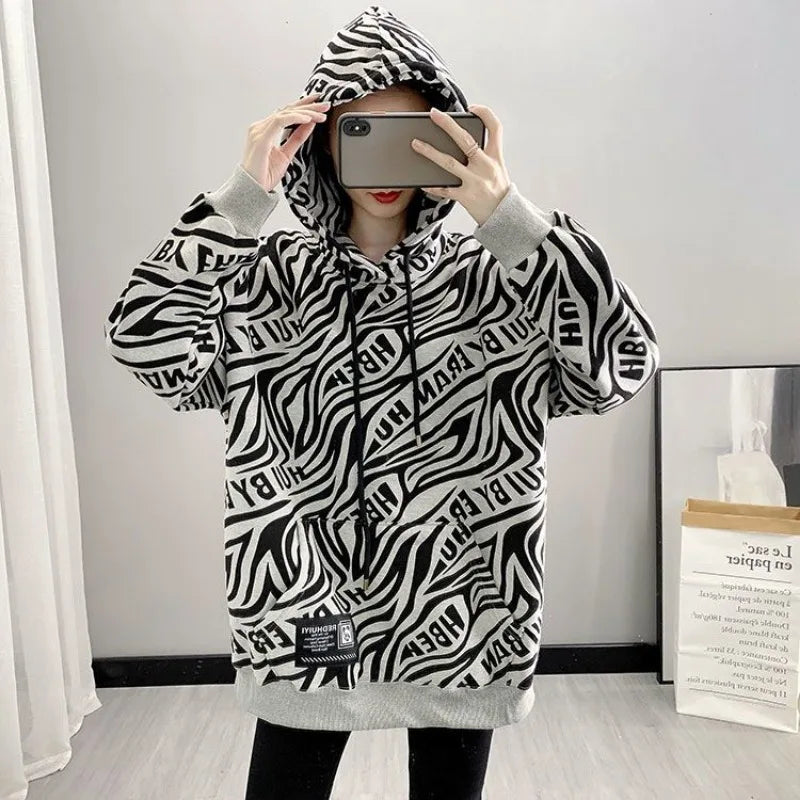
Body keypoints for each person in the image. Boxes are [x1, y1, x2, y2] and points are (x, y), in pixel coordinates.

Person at [104, 5, 660, 799]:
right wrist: (242, 197)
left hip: (465, 621)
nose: (388, 161)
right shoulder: (268, 283)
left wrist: (509, 216)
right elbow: (143, 344)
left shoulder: (497, 282)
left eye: (413, 134)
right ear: (322, 142)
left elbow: (622, 364)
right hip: (304, 616)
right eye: (361, 131)